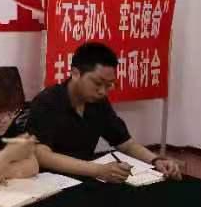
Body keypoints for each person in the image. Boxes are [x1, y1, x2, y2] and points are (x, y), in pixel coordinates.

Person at [27, 42, 182, 183]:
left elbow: (126, 144)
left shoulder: (98, 102)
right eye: (97, 83)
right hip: (51, 182)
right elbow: (42, 155)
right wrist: (98, 170)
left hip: (86, 177)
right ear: (75, 74)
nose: (102, 91)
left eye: (109, 85)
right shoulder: (47, 101)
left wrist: (156, 160)